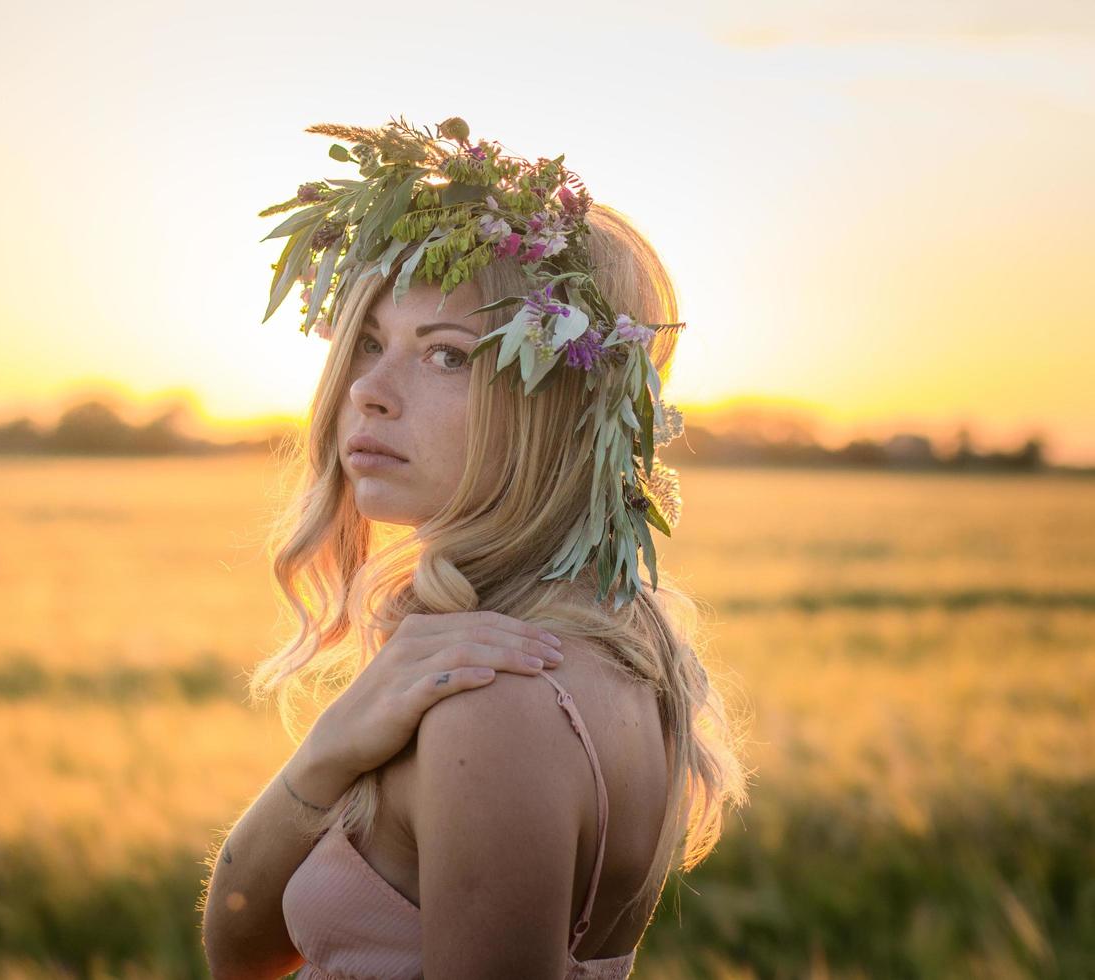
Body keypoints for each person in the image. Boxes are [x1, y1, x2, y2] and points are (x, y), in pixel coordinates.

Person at [201, 117, 748, 979]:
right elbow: (241, 943)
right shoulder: (603, 633)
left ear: (560, 402)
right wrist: (334, 743)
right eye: (370, 344)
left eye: (449, 357)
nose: (369, 395)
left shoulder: (498, 696)